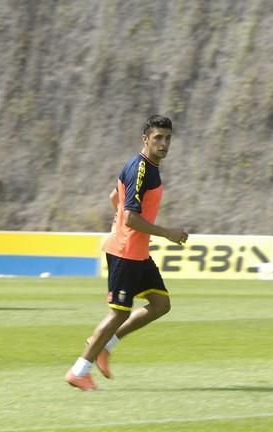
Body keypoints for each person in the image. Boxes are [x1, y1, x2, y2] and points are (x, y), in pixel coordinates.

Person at [66, 115, 189, 390]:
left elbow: (115, 198)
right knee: (118, 314)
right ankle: (79, 369)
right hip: (126, 253)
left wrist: (133, 230)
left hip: (137, 250)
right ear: (145, 139)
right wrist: (166, 232)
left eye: (168, 138)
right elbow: (131, 218)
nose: (164, 143)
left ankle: (106, 345)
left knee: (160, 304)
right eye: (158, 138)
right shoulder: (141, 169)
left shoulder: (149, 168)